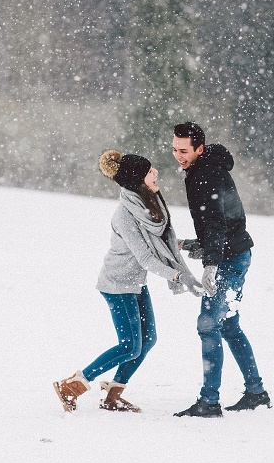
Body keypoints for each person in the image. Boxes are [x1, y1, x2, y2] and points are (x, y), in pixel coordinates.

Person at [53, 149, 203, 413]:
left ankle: (112, 394)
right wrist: (179, 275)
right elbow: (145, 256)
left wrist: (183, 246)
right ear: (137, 179)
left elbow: (157, 243)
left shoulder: (148, 203)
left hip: (135, 283)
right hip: (117, 284)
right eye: (149, 171)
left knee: (148, 340)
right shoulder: (125, 214)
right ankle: (71, 385)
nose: (155, 172)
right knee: (129, 346)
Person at [171, 122, 271, 418]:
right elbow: (218, 225)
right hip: (235, 252)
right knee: (227, 324)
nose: (178, 155)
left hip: (230, 259)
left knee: (208, 323)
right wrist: (190, 244)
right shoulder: (204, 169)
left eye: (184, 150)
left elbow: (215, 223)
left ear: (199, 149)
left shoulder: (205, 176)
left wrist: (211, 264)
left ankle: (209, 402)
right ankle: (255, 392)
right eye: (174, 149)